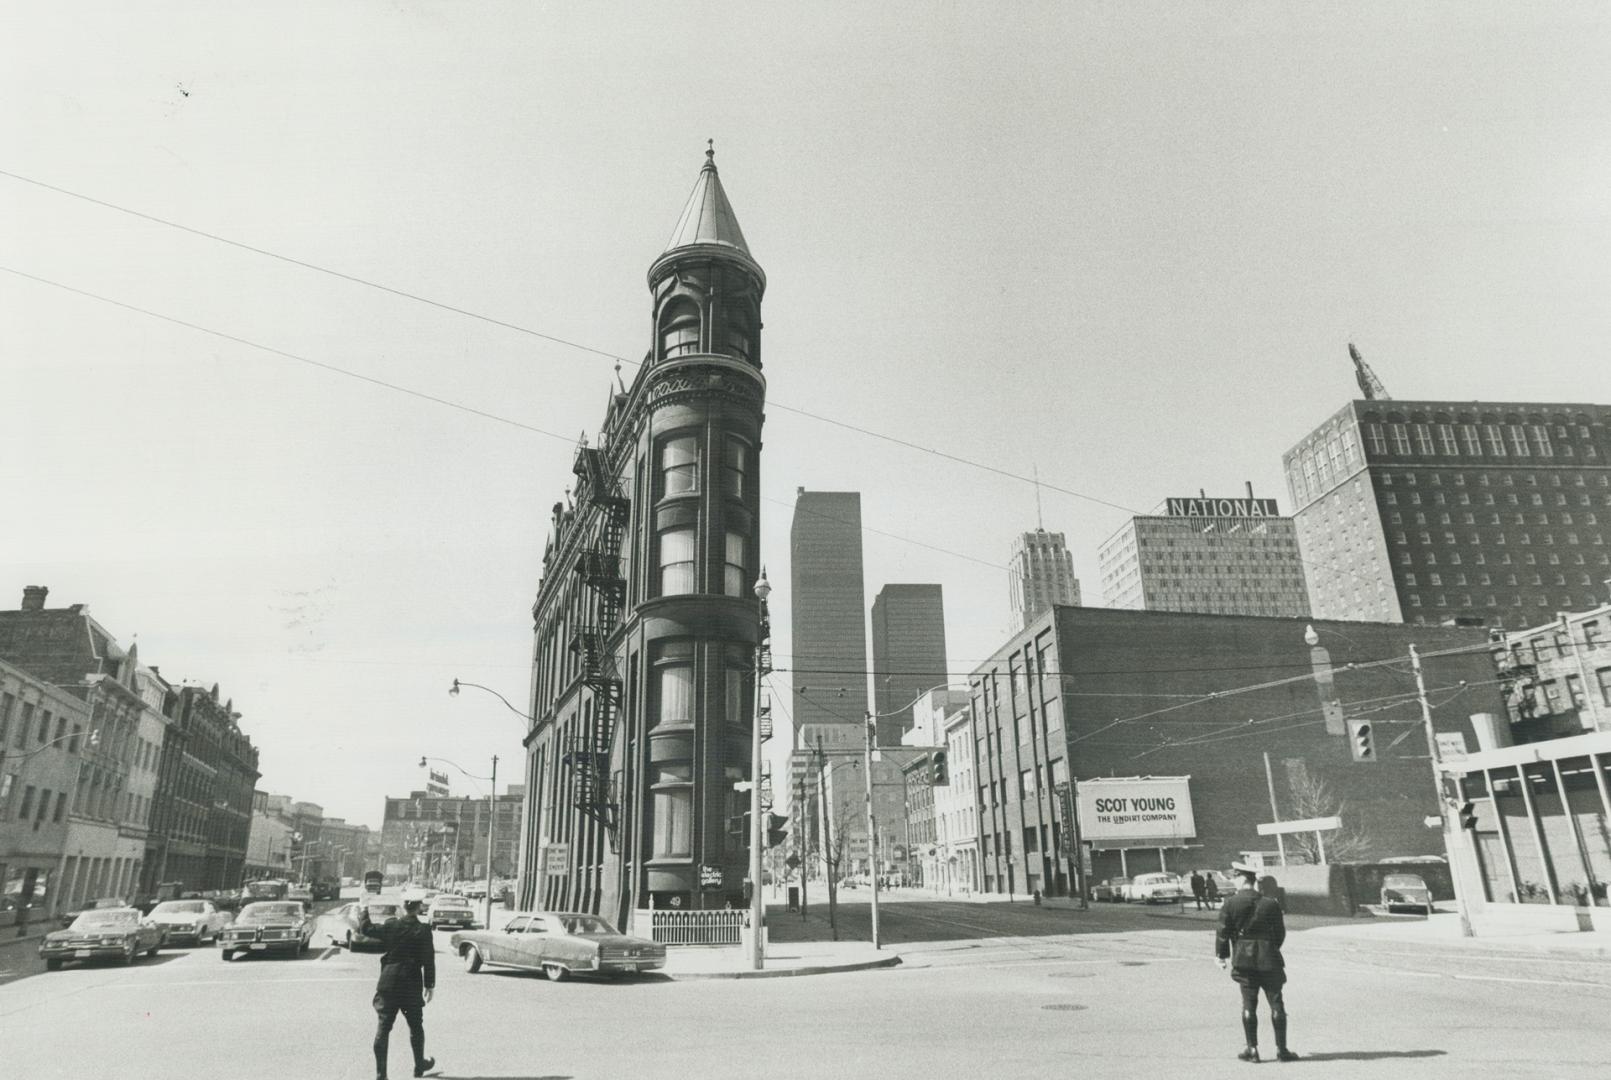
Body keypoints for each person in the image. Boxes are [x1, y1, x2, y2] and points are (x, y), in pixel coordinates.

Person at [1215, 866, 1297, 1063]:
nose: (1233, 880)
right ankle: (1282, 1050)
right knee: (1277, 1003)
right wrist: (1270, 947)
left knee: (1249, 1004)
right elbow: (1280, 933)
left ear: (1244, 879)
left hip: (1244, 960)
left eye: (1235, 877)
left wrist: (1221, 956)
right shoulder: (1271, 903)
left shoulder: (1230, 903)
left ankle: (1252, 1050)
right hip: (1270, 959)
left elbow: (1222, 932)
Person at [360, 897, 437, 1080]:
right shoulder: (424, 930)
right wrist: (429, 984)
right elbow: (428, 959)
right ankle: (419, 1066)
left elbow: (366, 928)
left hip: (389, 983)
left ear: (402, 907)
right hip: (411, 984)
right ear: (419, 908)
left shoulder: (391, 926)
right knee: (416, 1027)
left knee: (383, 1028)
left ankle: (381, 1074)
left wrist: (364, 907)